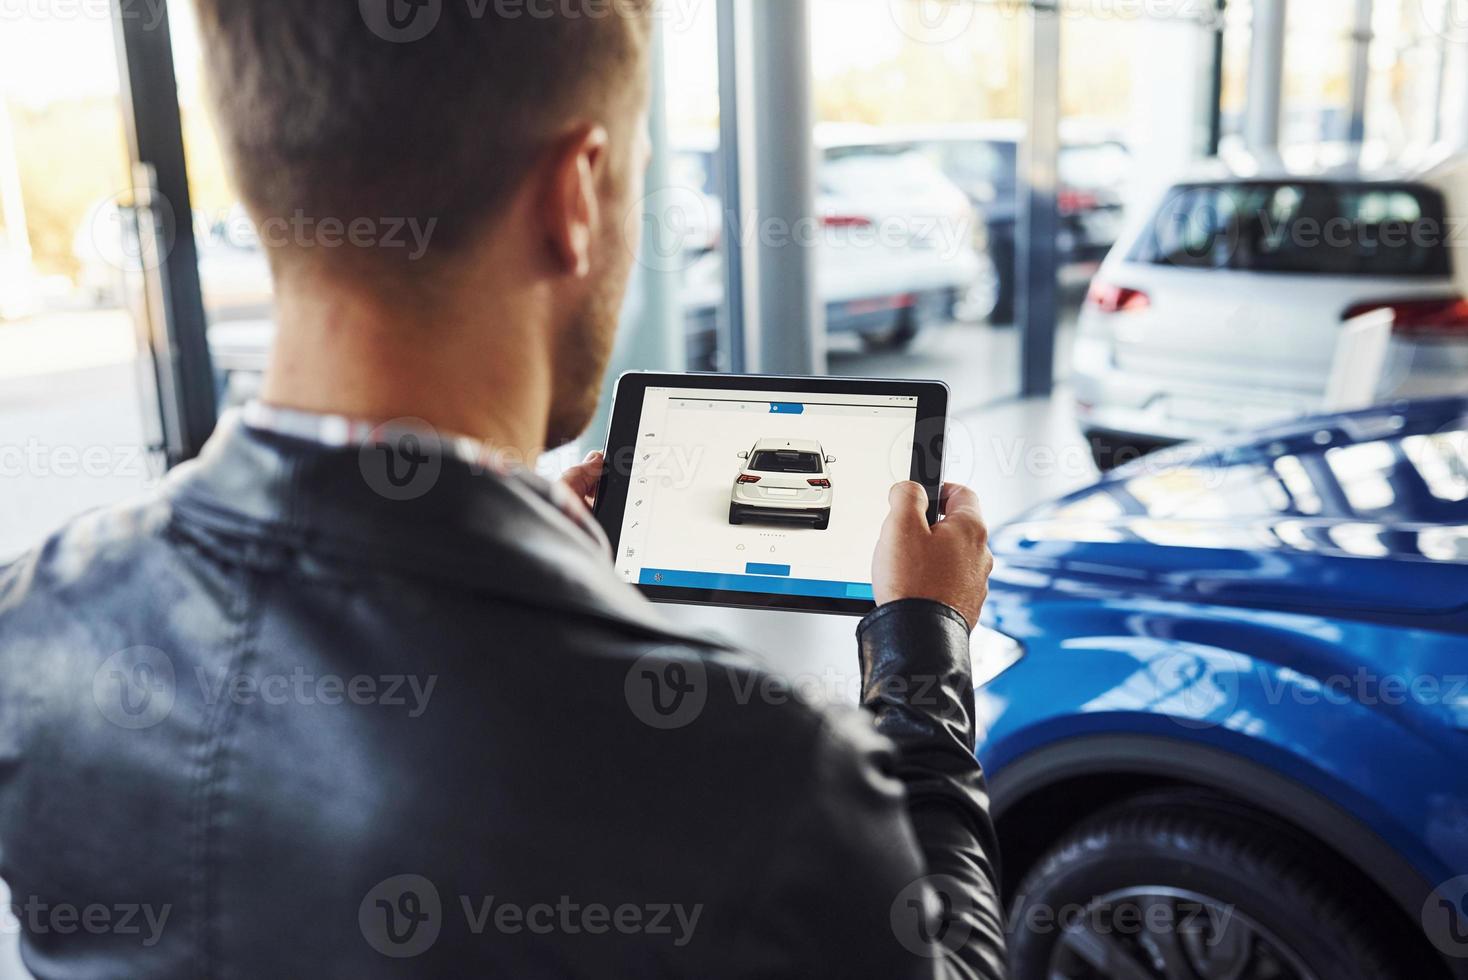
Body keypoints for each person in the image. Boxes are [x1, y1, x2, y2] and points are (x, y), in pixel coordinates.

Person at [0, 1, 1006, 976]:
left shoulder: (32, 616)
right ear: (576, 196)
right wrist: (923, 646)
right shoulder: (762, 770)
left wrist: (525, 544)